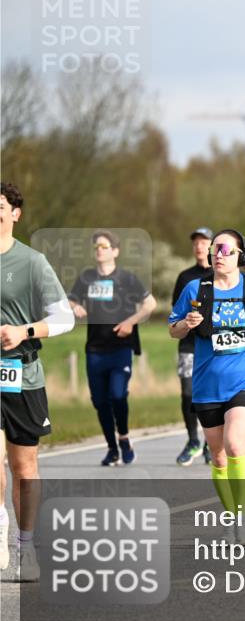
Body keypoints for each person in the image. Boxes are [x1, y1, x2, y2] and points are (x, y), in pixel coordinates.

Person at [168, 229, 245, 545]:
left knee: (235, 444)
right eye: (215, 249)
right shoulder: (196, 288)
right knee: (218, 458)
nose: (218, 254)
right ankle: (230, 517)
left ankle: (243, 518)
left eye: (225, 249)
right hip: (207, 384)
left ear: (239, 256)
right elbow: (173, 329)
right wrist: (185, 325)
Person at [0, 182, 75, 581]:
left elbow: (65, 318)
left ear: (16, 214)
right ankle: (0, 535)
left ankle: (26, 547)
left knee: (24, 467)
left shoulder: (32, 262)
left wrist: (24, 331)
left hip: (22, 375)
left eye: (0, 206)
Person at [68, 230, 157, 466]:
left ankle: (124, 437)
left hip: (120, 348)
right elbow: (71, 300)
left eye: (104, 246)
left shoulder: (127, 278)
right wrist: (75, 307)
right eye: (96, 246)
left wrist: (131, 322)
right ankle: (112, 448)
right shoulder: (86, 278)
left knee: (117, 395)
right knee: (100, 401)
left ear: (115, 251)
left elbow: (150, 304)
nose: (99, 249)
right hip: (95, 349)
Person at [172, 227, 214, 466]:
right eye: (196, 242)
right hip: (189, 344)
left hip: (213, 346)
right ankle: (193, 440)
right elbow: (175, 312)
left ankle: (211, 442)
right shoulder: (185, 277)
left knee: (210, 395)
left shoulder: (223, 274)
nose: (199, 246)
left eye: (204, 242)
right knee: (188, 393)